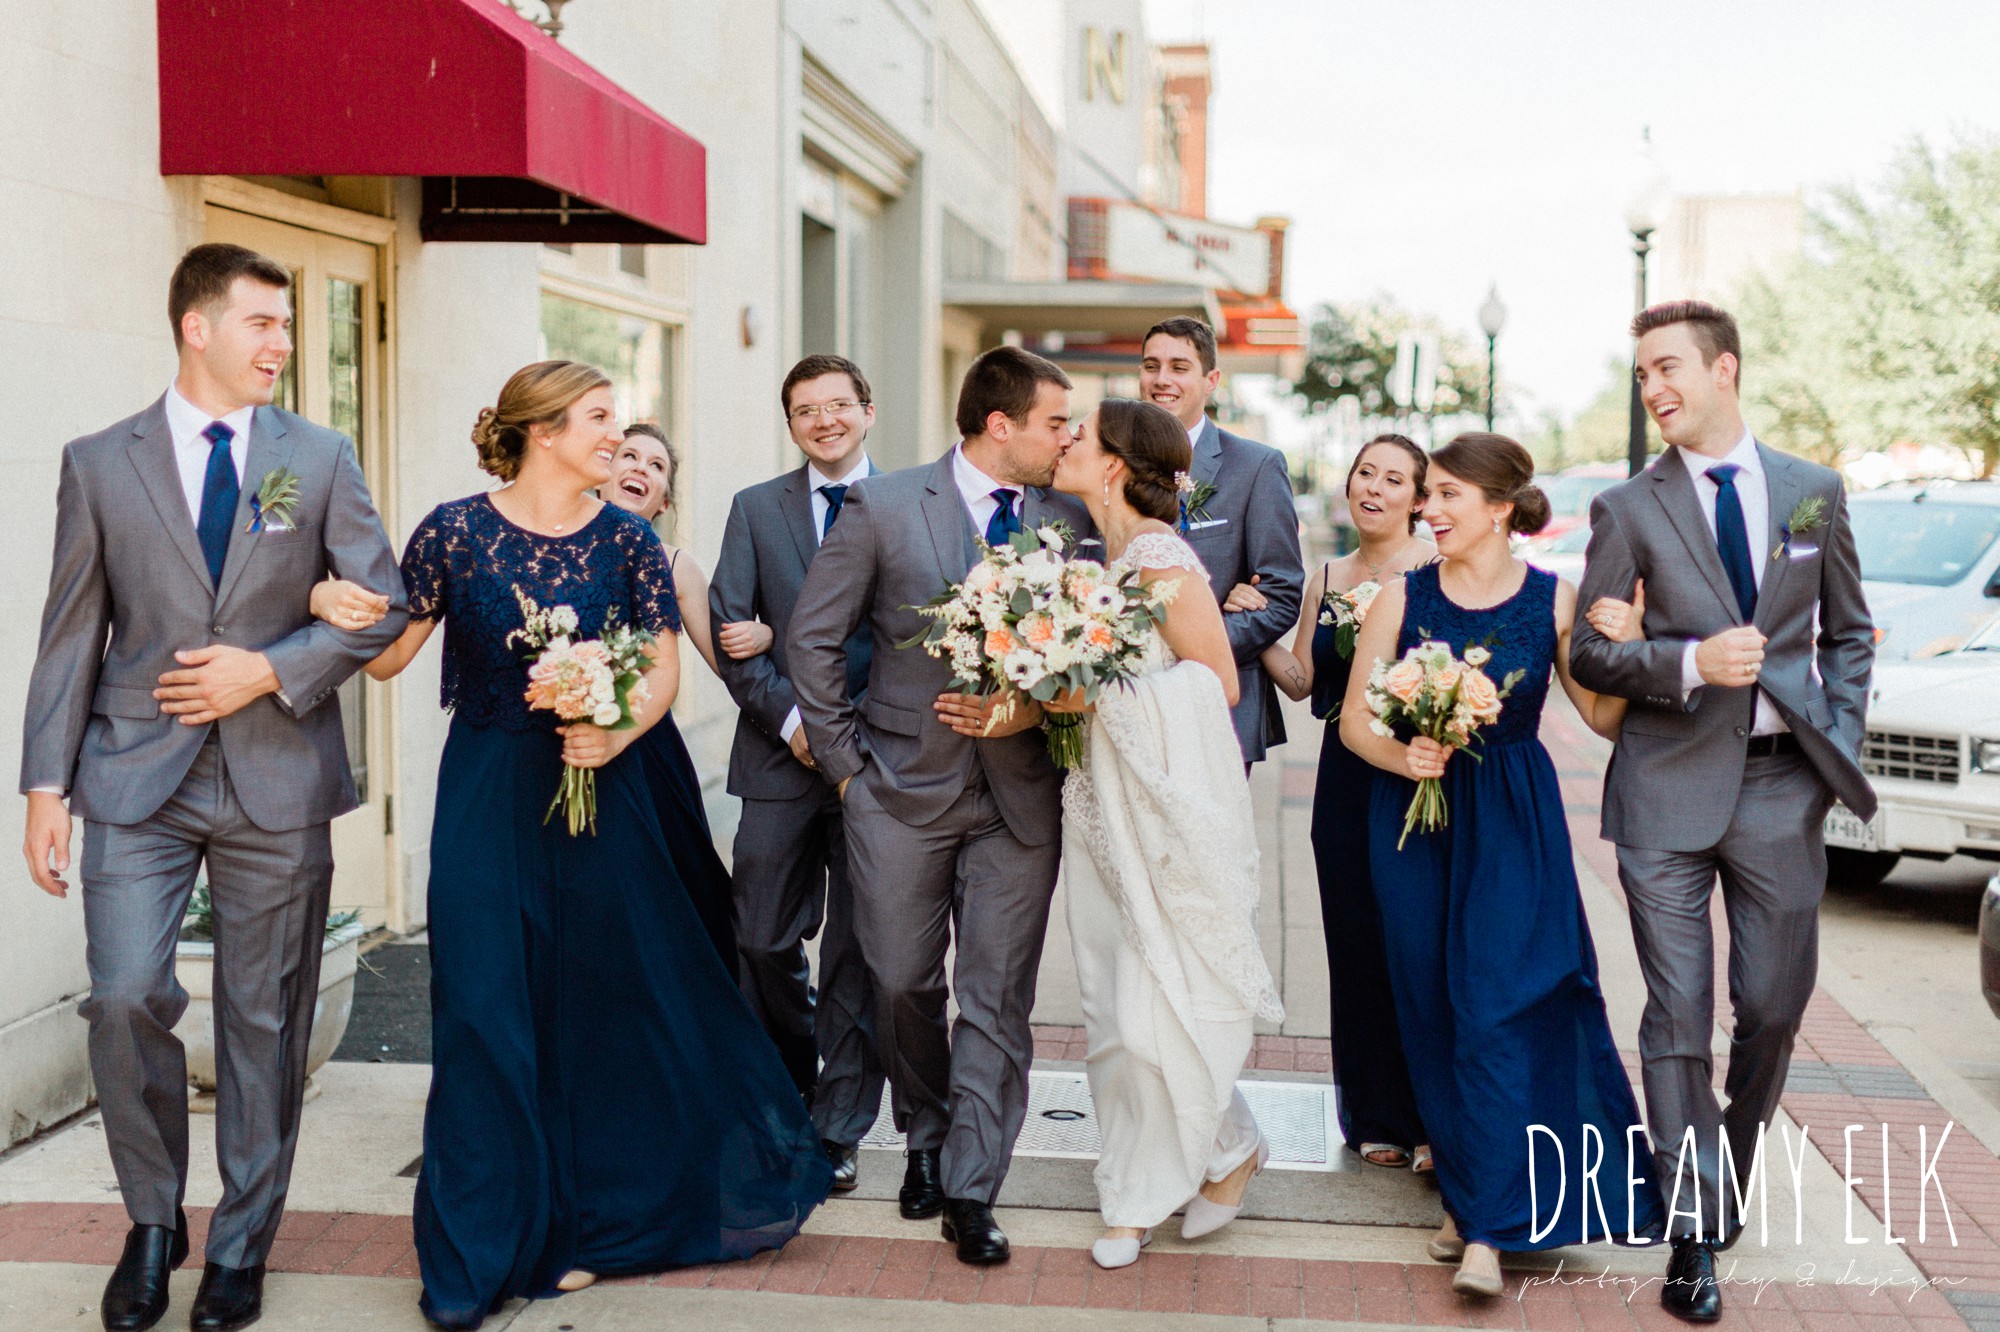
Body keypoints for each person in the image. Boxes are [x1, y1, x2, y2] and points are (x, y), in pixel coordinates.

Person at [351, 361, 829, 1328]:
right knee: (484, 1005)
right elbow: (394, 652)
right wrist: (339, 611)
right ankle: (476, 1248)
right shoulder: (453, 529)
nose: (616, 436)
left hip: (599, 798)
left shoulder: (630, 545)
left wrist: (613, 730)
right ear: (543, 429)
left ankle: (585, 1226)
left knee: (590, 1013)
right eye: (600, 418)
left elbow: (660, 676)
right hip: (488, 791)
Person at [18, 243, 408, 1332]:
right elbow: (68, 635)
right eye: (263, 322)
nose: (283, 342)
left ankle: (242, 1243)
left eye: (287, 325)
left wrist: (272, 668)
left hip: (277, 776)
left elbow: (383, 607)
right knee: (125, 993)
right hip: (131, 775)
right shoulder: (100, 461)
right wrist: (45, 786)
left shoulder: (318, 457)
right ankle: (152, 1224)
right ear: (197, 327)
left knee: (263, 1017)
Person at [1570, 301, 1875, 1324]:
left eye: (1667, 369)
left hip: (1780, 787)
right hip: (1660, 788)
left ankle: (1724, 1162)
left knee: (1774, 1006)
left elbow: (1847, 632)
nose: (1652, 389)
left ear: (1722, 370)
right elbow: (1590, 655)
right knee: (1676, 1015)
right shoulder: (1626, 507)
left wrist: (1837, 732)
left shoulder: (1809, 493)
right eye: (1642, 374)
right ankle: (1692, 1231)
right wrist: (1686, 661)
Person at [1339, 433, 1663, 1298]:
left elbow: (1602, 717)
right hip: (1414, 819)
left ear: (1499, 509)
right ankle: (1468, 1192)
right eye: (1427, 496)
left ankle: (1486, 1230)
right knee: (1432, 1009)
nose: (1428, 510)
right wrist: (1401, 756)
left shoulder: (1552, 602)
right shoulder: (1399, 598)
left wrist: (1626, 645)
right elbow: (1354, 724)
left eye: (1446, 496)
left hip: (1514, 820)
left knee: (1499, 1004)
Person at [788, 345, 1091, 1266]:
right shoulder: (882, 506)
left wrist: (1034, 704)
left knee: (996, 997)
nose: (1067, 438)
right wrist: (846, 770)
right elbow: (812, 639)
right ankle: (923, 1132)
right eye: (1054, 423)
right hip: (896, 792)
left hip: (1019, 803)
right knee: (899, 982)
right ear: (1000, 425)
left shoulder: (1068, 518)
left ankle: (970, 1186)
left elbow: (1091, 651)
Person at [1042, 399, 1284, 1271]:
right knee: (1113, 1005)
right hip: (1098, 800)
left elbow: (1216, 682)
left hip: (1159, 802)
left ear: (1113, 464)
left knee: (1154, 1005)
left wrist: (1093, 692)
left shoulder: (1158, 557)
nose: (1064, 441)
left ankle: (1139, 1198)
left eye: (1080, 435)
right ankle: (1227, 1145)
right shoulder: (1091, 558)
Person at [708, 354, 887, 1193]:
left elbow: (919, 638)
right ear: (791, 424)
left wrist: (847, 734)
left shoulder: (908, 503)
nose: (824, 421)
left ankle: (839, 1123)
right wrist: (794, 721)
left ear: (866, 411)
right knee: (760, 937)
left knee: (860, 949)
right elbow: (727, 629)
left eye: (837, 406)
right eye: (805, 410)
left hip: (879, 764)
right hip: (779, 760)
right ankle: (790, 1080)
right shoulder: (754, 510)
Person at [1242, 434, 1435, 1175]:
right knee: (1355, 946)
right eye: (1365, 473)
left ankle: (1429, 1118)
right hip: (1344, 779)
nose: (1374, 488)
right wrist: (1255, 622)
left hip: (1415, 775)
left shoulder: (1435, 570)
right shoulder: (1329, 574)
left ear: (1419, 498)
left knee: (1415, 946)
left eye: (1394, 479)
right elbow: (1299, 680)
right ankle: (1372, 1112)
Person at [1137, 317, 1304, 765]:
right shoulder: (1111, 461)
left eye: (1178, 367)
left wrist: (1180, 651)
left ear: (1211, 380)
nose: (1161, 380)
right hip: (1125, 699)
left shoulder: (1256, 467)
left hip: (1218, 703)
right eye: (1151, 366)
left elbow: (1282, 593)